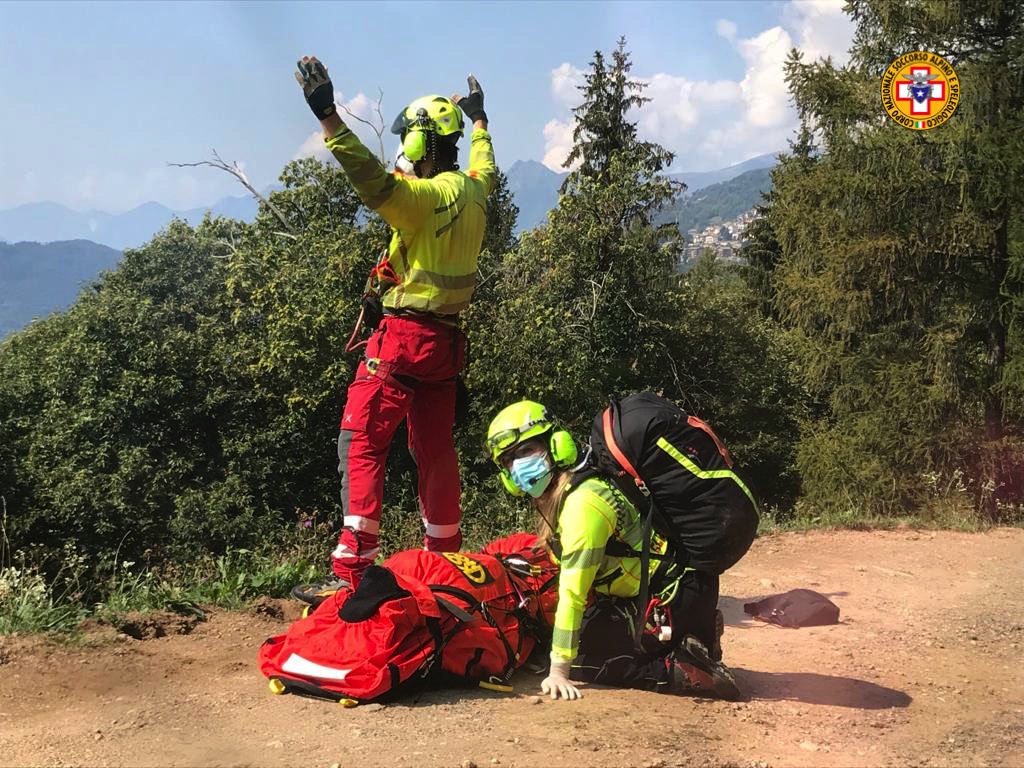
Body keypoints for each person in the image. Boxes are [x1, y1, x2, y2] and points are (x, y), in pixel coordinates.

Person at [293, 56, 496, 592]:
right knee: (435, 450)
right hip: (446, 346)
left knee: (360, 441)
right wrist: (479, 119)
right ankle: (446, 565)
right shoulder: (476, 191)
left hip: (403, 340)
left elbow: (372, 180)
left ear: (419, 141)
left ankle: (353, 572)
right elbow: (485, 161)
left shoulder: (422, 199)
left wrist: (328, 117)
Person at [485, 400, 742, 701]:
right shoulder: (586, 479)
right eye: (509, 461)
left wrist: (559, 670)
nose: (518, 466)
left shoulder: (582, 506)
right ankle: (697, 635)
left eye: (526, 451)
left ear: (556, 445)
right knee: (583, 631)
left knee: (579, 659)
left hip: (669, 599)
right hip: (683, 587)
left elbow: (572, 593)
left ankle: (680, 669)